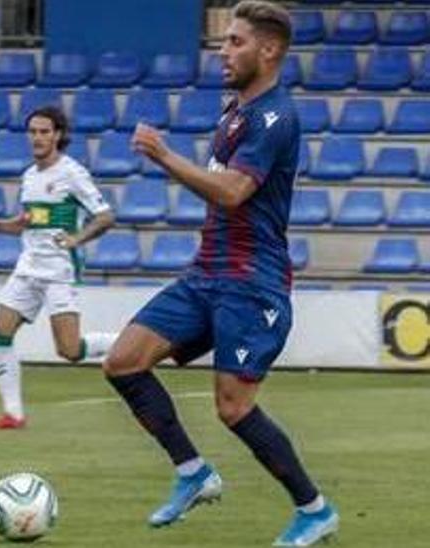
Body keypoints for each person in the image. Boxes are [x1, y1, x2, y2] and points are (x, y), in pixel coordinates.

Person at [115, 2, 337, 545]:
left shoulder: (275, 118)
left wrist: (165, 156)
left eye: (236, 41)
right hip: (206, 273)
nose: (223, 50)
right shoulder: (234, 114)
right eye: (225, 41)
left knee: (233, 408)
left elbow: (236, 193)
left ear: (269, 50)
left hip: (250, 281)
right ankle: (194, 473)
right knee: (123, 362)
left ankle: (314, 509)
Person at [0, 105, 118, 430]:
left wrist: (77, 239)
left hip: (59, 272)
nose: (37, 137)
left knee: (70, 350)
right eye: (32, 131)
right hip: (28, 268)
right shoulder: (29, 176)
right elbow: (26, 223)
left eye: (44, 131)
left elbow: (105, 216)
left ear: (58, 135)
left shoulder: (72, 173)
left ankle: (131, 342)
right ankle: (13, 414)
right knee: (1, 332)